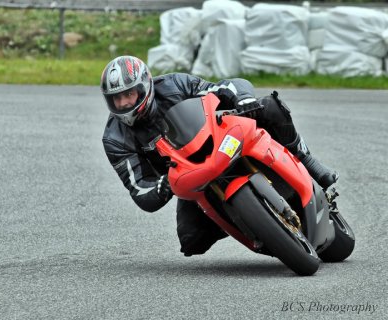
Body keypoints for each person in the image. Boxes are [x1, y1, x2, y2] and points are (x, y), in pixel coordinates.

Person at [101, 56, 338, 257]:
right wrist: (163, 186)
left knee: (269, 106)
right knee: (191, 241)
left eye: (129, 95)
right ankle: (249, 221)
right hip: (190, 176)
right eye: (116, 99)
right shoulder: (114, 139)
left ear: (146, 86)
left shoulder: (174, 85)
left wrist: (242, 98)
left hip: (219, 140)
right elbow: (139, 190)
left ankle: (306, 159)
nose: (123, 104)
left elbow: (223, 87)